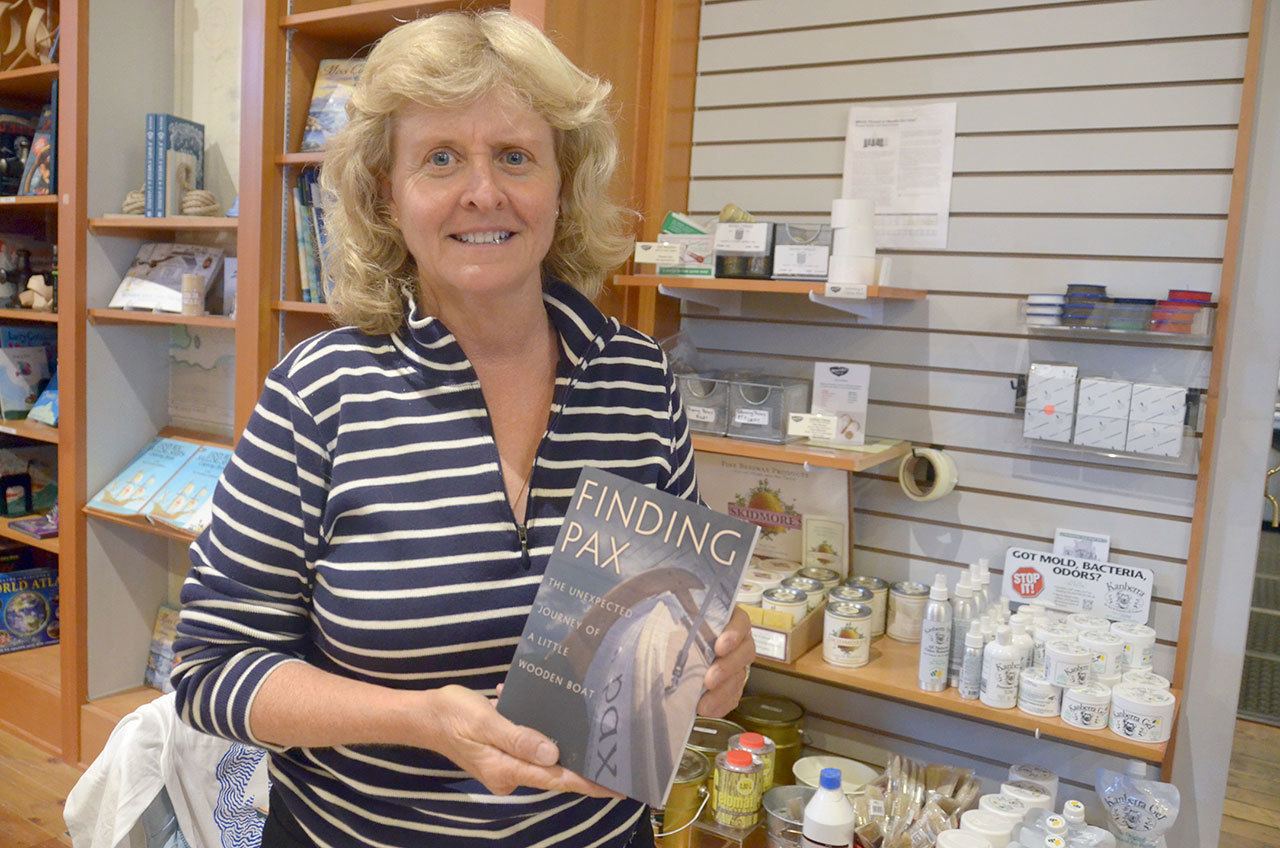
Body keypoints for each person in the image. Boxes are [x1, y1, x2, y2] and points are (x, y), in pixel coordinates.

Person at [172, 11, 754, 848]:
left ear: (563, 181)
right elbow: (210, 672)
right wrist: (417, 720)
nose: (483, 192)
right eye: (440, 158)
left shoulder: (636, 379)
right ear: (387, 191)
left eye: (515, 156)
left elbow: (666, 634)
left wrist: (716, 663)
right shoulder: (318, 393)